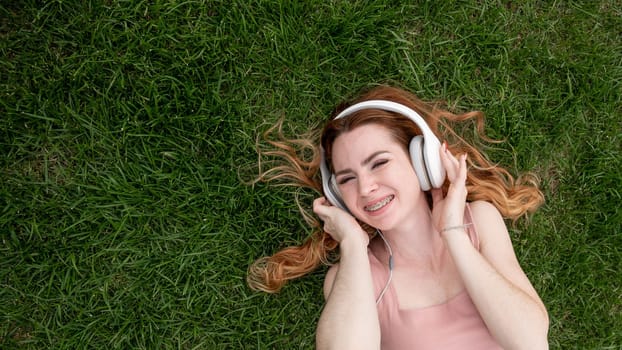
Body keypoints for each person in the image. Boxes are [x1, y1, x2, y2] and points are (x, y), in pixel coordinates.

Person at [247, 85, 549, 349]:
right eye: (348, 178)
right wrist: (352, 244)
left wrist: (454, 233)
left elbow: (531, 343)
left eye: (378, 163)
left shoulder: (479, 222)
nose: (365, 188)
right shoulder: (355, 275)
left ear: (422, 161)